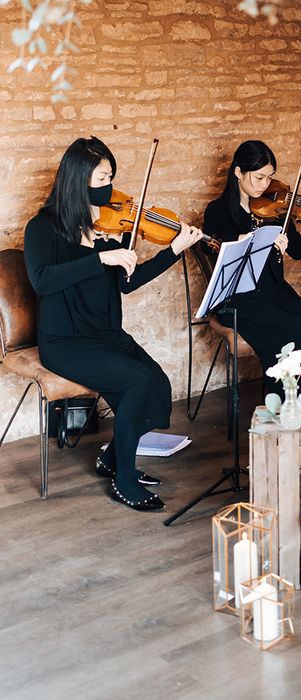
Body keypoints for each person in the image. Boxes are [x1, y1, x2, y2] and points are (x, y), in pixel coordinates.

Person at [24, 136, 204, 511]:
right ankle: (124, 479)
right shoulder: (42, 228)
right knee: (136, 382)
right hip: (65, 342)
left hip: (106, 334)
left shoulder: (110, 226)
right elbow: (42, 279)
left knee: (157, 383)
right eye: (103, 179)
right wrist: (100, 259)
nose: (111, 187)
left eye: (111, 178)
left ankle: (111, 458)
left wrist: (173, 251)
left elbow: (128, 282)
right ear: (79, 179)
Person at [203, 140, 301, 400]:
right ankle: (291, 405)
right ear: (238, 172)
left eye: (269, 177)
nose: (265, 185)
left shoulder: (276, 211)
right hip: (239, 299)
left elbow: (297, 249)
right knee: (290, 336)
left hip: (276, 293)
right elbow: (213, 245)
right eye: (259, 177)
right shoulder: (217, 210)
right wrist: (255, 238)